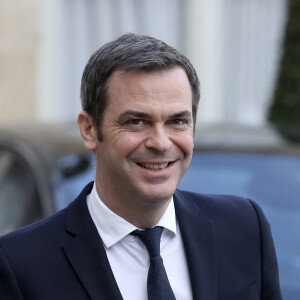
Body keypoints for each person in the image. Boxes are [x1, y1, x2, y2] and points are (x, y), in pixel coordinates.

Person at [0, 33, 282, 300]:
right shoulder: (20, 264)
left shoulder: (244, 228)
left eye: (177, 121)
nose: (160, 142)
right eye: (137, 122)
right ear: (89, 130)